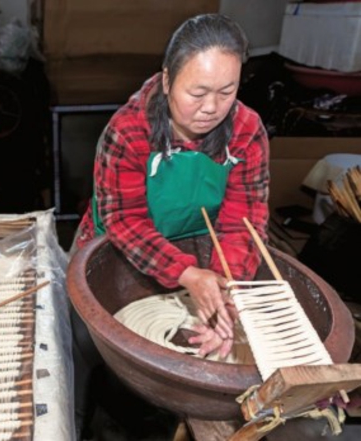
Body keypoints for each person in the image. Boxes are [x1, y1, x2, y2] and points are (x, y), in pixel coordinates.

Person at [71, 12, 269, 438]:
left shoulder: (247, 131)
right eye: (197, 92)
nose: (211, 108)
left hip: (194, 246)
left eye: (227, 91)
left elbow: (243, 221)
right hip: (113, 247)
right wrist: (186, 274)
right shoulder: (128, 130)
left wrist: (224, 285)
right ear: (166, 80)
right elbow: (125, 221)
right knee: (89, 351)